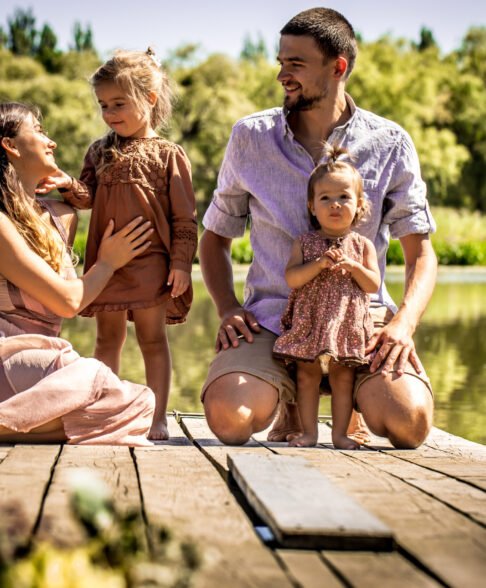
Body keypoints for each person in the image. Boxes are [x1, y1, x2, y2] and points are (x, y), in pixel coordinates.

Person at [199, 7, 436, 448]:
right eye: (281, 62)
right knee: (230, 420)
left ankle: (358, 404)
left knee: (410, 423)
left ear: (338, 67)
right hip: (272, 322)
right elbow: (215, 238)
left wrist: (403, 324)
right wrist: (228, 307)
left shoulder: (390, 142)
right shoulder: (250, 137)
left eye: (296, 64)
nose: (282, 75)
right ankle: (289, 398)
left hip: (362, 324)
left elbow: (420, 252)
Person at [38, 49, 198, 440]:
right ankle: (101, 413)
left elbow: (185, 218)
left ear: (150, 99)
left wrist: (180, 264)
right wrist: (66, 186)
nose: (110, 113)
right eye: (104, 105)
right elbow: (88, 196)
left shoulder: (169, 155)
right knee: (107, 338)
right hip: (107, 263)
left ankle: (157, 418)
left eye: (119, 104)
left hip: (151, 265)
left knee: (152, 339)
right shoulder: (99, 150)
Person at [0, 101, 155, 445]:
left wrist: (69, 183)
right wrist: (108, 263)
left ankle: (13, 424)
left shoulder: (60, 217)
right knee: (96, 377)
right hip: (10, 357)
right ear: (9, 146)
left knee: (140, 403)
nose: (51, 141)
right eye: (38, 131)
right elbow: (68, 301)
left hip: (47, 363)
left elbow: (99, 198)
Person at [273, 144, 380, 448]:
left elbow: (372, 284)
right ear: (312, 206)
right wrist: (318, 265)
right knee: (305, 378)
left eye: (344, 197)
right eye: (325, 198)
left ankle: (340, 435)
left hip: (344, 325)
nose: (335, 205)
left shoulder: (362, 246)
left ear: (358, 204)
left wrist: (355, 267)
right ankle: (308, 433)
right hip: (310, 322)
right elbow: (292, 277)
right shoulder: (304, 242)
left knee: (342, 379)